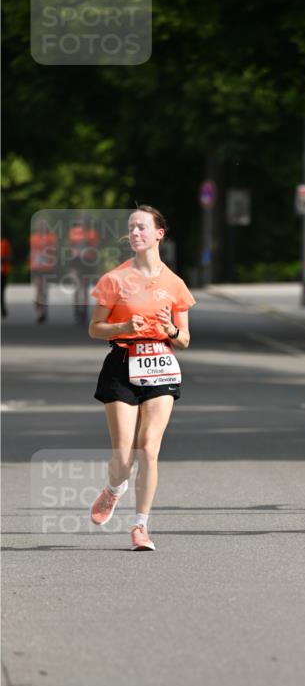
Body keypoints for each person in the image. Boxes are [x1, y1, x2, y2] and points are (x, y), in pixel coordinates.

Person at [88, 206, 195, 551]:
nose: (135, 233)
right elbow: (94, 327)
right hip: (122, 363)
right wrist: (121, 326)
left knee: (148, 448)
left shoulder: (174, 283)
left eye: (142, 228)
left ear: (159, 234)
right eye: (131, 228)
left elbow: (185, 339)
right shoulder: (115, 279)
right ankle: (114, 488)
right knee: (123, 456)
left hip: (161, 363)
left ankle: (140, 526)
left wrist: (171, 329)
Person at [29, 219, 58, 323]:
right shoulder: (33, 238)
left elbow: (55, 250)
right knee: (38, 288)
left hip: (47, 267)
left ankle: (43, 310)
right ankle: (39, 310)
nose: (41, 227)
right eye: (39, 226)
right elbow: (31, 251)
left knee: (44, 289)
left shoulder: (51, 237)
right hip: (36, 267)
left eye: (43, 225)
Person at [1, 235, 12, 318]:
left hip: (2, 271)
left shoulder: (5, 243)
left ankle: (3, 308)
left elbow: (10, 257)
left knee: (1, 291)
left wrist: (3, 259)